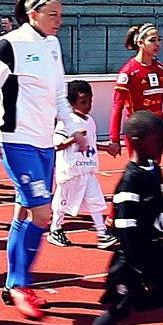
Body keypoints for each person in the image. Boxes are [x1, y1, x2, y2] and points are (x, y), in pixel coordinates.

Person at [0, 0, 89, 319]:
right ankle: (20, 284)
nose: (59, 21)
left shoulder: (52, 45)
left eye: (60, 14)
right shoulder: (9, 46)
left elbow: (57, 94)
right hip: (16, 141)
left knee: (24, 214)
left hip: (45, 145)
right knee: (43, 216)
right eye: (52, 15)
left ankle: (13, 282)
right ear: (32, 13)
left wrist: (72, 127)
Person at [72, 111, 163, 325]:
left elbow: (156, 203)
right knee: (121, 308)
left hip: (156, 252)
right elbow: (125, 230)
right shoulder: (130, 181)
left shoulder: (153, 170)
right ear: (136, 141)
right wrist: (142, 268)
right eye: (157, 140)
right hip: (133, 259)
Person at [47, 80, 114, 249]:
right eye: (83, 102)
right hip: (70, 170)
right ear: (71, 104)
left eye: (90, 101)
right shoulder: (66, 122)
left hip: (87, 168)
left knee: (95, 200)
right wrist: (73, 137)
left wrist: (106, 147)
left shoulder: (90, 121)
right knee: (62, 201)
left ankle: (102, 233)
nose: (88, 106)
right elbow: (57, 145)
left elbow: (90, 142)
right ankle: (55, 229)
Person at [107, 23, 163, 158]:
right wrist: (114, 139)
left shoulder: (162, 70)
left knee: (154, 171)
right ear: (140, 43)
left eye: (159, 39)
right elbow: (117, 106)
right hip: (137, 131)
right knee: (142, 170)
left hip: (157, 130)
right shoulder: (128, 72)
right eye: (152, 40)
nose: (157, 44)